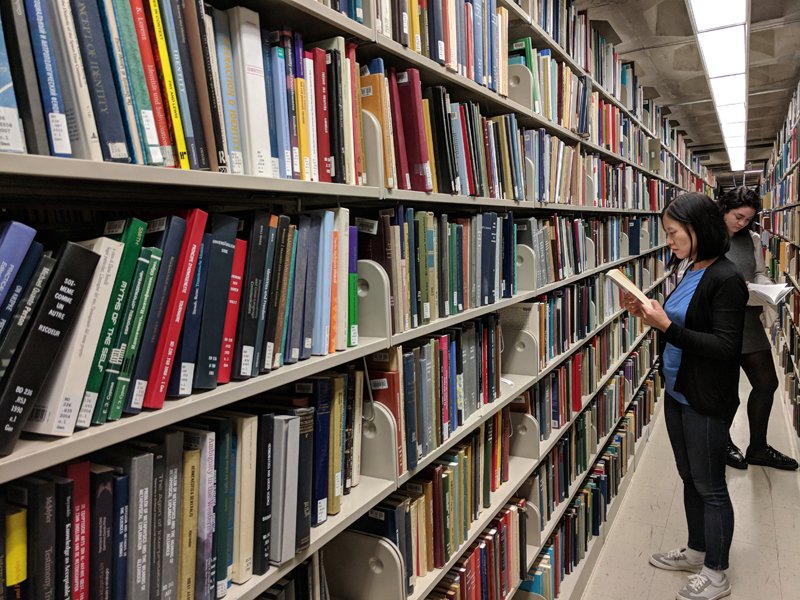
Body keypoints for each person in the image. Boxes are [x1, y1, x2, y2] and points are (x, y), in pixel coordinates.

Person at [623, 193, 747, 600]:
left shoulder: (726, 278)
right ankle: (697, 551)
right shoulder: (688, 266)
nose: (670, 242)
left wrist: (666, 327)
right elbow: (679, 318)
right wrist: (648, 314)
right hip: (678, 390)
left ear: (699, 230)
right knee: (689, 477)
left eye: (674, 233)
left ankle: (716, 572)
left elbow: (726, 347)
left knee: (711, 485)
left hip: (706, 397)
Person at [718, 186, 798, 470]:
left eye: (747, 219)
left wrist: (767, 288)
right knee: (727, 393)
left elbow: (759, 273)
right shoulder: (705, 238)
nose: (741, 224)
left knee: (767, 383)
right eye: (738, 217)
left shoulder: (751, 239)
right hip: (718, 324)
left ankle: (759, 448)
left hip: (748, 319)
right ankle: (723, 443)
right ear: (724, 209)